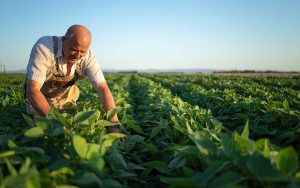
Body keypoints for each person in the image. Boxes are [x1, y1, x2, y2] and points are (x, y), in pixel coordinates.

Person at [25, 24, 124, 137]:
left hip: (66, 98)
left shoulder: (88, 57)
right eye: (73, 49)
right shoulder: (44, 48)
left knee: (75, 132)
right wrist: (57, 122)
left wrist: (114, 124)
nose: (77, 55)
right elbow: (32, 91)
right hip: (40, 98)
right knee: (45, 134)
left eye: (82, 51)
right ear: (63, 40)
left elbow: (102, 88)